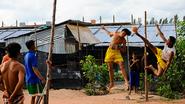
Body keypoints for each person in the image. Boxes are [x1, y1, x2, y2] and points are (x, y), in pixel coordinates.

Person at [101, 26, 131, 91]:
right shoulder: (115, 33)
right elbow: (109, 34)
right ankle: (112, 83)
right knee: (110, 68)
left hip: (117, 52)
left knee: (122, 65)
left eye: (125, 35)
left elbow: (124, 50)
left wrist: (119, 48)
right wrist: (104, 29)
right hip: (110, 51)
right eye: (124, 34)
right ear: (122, 31)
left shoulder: (123, 40)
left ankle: (126, 81)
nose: (124, 36)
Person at [24, 40, 46, 104]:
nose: (35, 45)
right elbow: (34, 69)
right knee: (41, 94)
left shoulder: (26, 55)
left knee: (33, 96)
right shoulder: (32, 55)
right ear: (32, 46)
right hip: (34, 79)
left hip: (28, 79)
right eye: (34, 44)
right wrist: (42, 78)